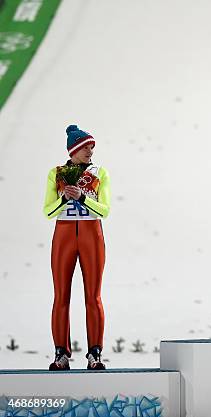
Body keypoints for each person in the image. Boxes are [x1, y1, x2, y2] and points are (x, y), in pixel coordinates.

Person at [43, 125, 110, 370]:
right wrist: (64, 199)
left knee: (93, 296)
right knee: (61, 295)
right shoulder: (56, 173)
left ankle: (95, 353)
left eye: (92, 146)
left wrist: (82, 197)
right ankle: (61, 352)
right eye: (86, 147)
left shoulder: (100, 172)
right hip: (64, 234)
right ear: (74, 149)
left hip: (92, 234)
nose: (90, 151)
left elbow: (105, 210)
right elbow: (47, 212)